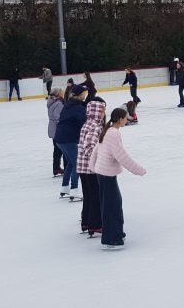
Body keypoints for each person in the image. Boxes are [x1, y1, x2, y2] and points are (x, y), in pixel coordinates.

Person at [91, 107, 147, 250]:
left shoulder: (108, 130)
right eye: (126, 118)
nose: (127, 120)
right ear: (120, 119)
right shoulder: (113, 133)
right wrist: (138, 170)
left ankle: (117, 234)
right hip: (106, 174)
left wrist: (93, 167)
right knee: (112, 207)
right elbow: (121, 155)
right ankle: (111, 240)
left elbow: (96, 150)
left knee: (113, 205)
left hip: (102, 173)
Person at [77, 99, 107, 236]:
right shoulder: (95, 126)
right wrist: (97, 159)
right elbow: (89, 145)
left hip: (82, 167)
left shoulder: (87, 123)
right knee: (95, 195)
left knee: (88, 195)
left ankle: (86, 222)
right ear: (97, 112)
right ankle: (95, 224)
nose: (104, 113)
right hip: (90, 168)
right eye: (102, 111)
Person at [55, 85, 88, 198]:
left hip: (60, 138)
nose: (85, 94)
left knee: (70, 162)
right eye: (84, 93)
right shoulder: (77, 107)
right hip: (68, 139)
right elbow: (83, 123)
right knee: (77, 163)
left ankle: (65, 187)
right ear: (80, 95)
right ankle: (74, 190)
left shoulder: (69, 104)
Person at [46, 87, 66, 177]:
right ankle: (58, 168)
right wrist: (62, 126)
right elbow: (57, 116)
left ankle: (56, 168)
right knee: (61, 149)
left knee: (57, 149)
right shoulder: (59, 103)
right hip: (57, 129)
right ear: (58, 94)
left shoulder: (52, 102)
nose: (63, 93)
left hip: (52, 128)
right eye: (62, 92)